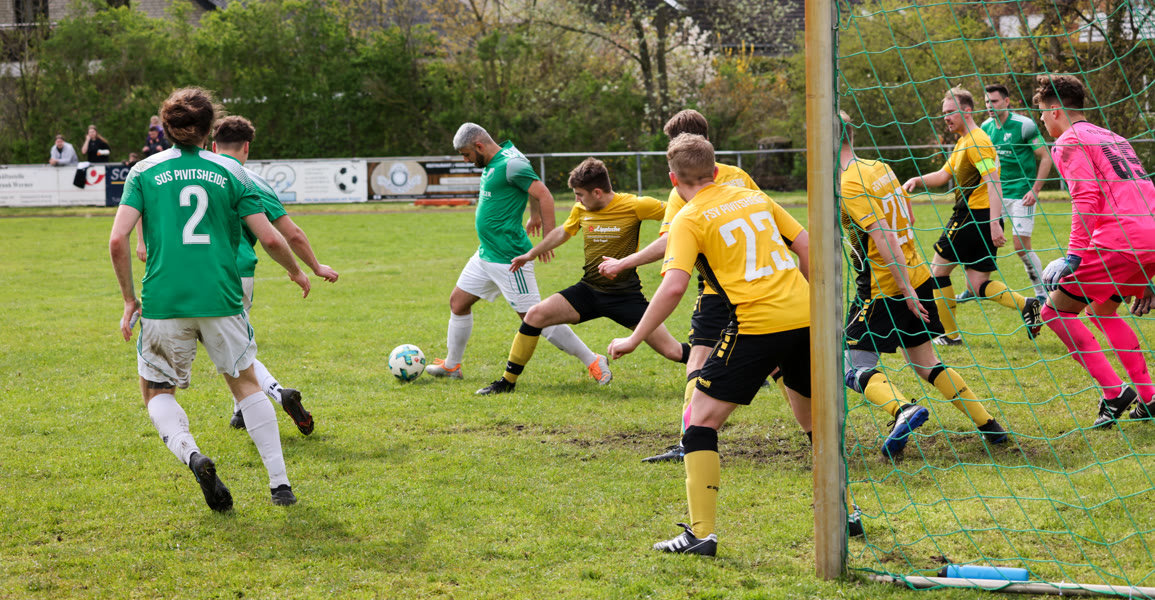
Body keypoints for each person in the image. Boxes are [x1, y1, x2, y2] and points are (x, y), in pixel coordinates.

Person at [609, 133, 812, 556]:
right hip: (806, 316)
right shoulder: (754, 196)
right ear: (716, 170)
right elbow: (806, 245)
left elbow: (673, 287)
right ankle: (845, 511)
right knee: (815, 422)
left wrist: (634, 337)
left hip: (756, 324)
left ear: (673, 178)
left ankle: (700, 535)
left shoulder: (688, 217)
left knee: (698, 422)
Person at [109, 87, 311, 512]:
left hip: (164, 302)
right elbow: (272, 238)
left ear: (167, 128)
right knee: (246, 385)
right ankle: (280, 486)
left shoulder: (143, 171)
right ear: (208, 129)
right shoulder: (231, 170)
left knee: (157, 392)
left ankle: (193, 455)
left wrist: (129, 299)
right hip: (222, 297)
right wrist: (296, 271)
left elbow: (117, 240)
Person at [600, 109, 803, 463]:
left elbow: (671, 245)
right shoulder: (738, 176)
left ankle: (688, 441)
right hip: (776, 287)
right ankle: (815, 428)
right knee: (779, 357)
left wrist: (625, 262)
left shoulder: (683, 192)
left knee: (699, 358)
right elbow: (769, 221)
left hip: (721, 288)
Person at [139, 115, 340, 434]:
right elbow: (289, 233)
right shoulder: (251, 180)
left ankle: (275, 392)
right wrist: (312, 268)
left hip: (198, 274)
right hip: (240, 272)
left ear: (212, 145)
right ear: (247, 147)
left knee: (230, 348)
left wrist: (142, 242)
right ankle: (243, 410)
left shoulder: (185, 172)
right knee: (234, 345)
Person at [839, 111, 1008, 458]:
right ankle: (989, 425)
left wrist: (905, 292)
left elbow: (884, 236)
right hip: (918, 274)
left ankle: (903, 409)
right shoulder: (878, 167)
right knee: (925, 363)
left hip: (886, 288)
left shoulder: (850, 183)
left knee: (849, 364)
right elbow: (909, 216)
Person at [475, 157, 690, 395]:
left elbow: (681, 214)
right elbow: (564, 232)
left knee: (672, 351)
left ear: (597, 192)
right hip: (589, 291)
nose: (576, 200)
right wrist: (531, 254)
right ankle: (507, 382)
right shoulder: (581, 209)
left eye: (579, 194)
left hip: (625, 296)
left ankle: (713, 366)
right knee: (534, 315)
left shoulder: (635, 205)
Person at [424, 123, 611, 385]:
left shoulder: (511, 163)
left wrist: (547, 237)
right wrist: (533, 215)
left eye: (467, 154)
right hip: (486, 254)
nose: (466, 160)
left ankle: (593, 360)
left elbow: (544, 194)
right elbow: (529, 188)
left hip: (509, 259)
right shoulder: (502, 158)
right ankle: (452, 366)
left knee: (536, 318)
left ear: (479, 146)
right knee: (458, 302)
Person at [1034, 74, 1155, 426]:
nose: (1041, 119)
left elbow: (1086, 198)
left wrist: (1074, 256)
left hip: (1121, 239)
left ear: (1055, 110)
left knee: (1054, 313)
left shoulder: (1069, 141)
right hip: (1148, 235)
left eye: (1041, 112)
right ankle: (1149, 397)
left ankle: (1115, 393)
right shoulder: (1114, 138)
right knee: (1102, 309)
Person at [902, 86, 1044, 346]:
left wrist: (994, 223)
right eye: (944, 112)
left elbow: (993, 181)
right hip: (981, 218)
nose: (945, 117)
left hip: (972, 217)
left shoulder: (977, 141)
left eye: (950, 112)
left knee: (938, 273)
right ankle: (1027, 304)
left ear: (967, 111)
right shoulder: (964, 142)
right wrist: (916, 180)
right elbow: (943, 175)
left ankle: (949, 335)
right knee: (978, 283)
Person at [958, 84, 1053, 302]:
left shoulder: (1024, 125)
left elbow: (1046, 156)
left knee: (1020, 247)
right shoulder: (985, 127)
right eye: (987, 102)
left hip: (1021, 194)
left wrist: (1035, 189)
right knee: (979, 239)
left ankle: (1041, 294)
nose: (990, 106)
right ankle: (973, 289)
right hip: (995, 195)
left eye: (994, 101)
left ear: (1006, 101)